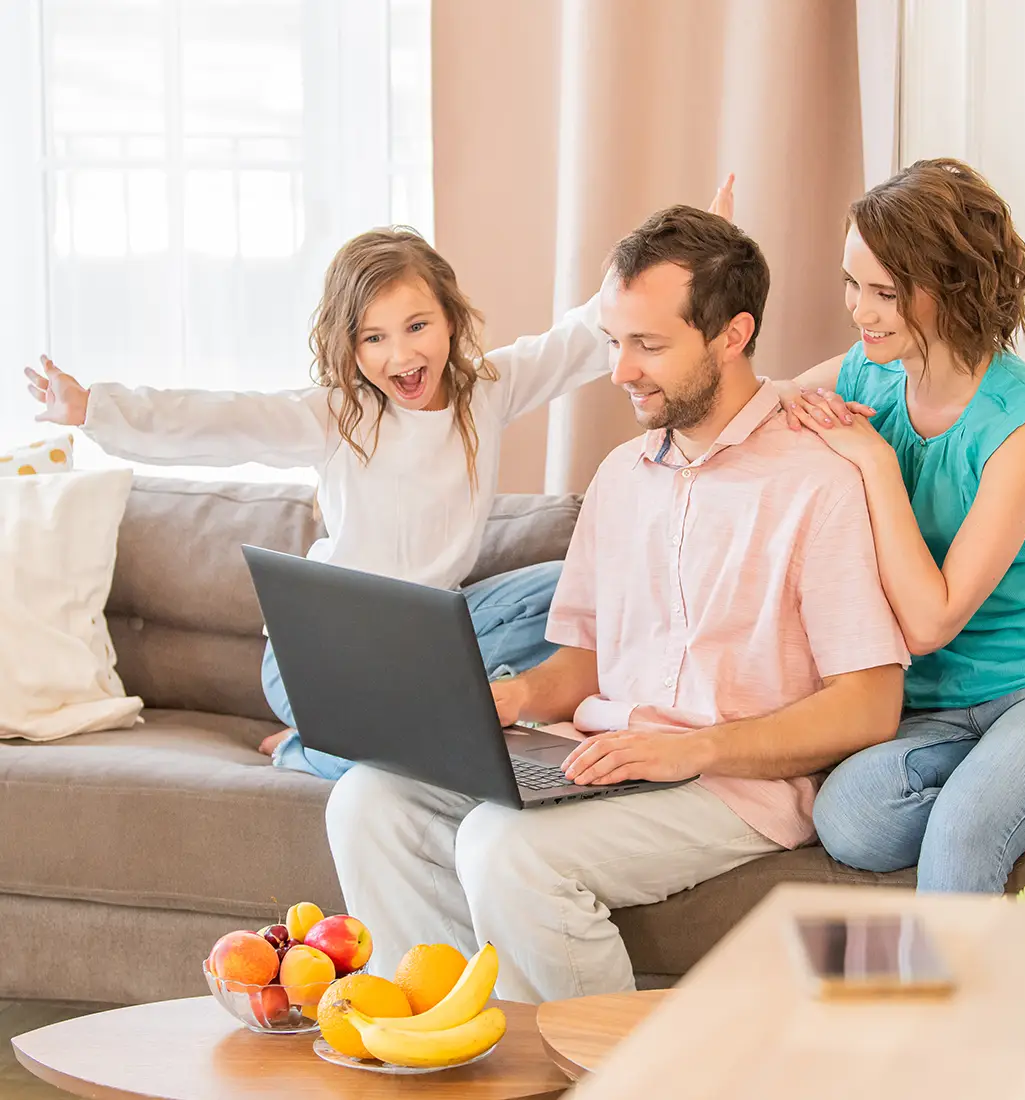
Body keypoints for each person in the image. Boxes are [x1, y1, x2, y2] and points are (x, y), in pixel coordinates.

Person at [324, 205, 910, 1001]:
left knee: (507, 849)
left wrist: (696, 749)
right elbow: (584, 662)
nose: (619, 370)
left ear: (732, 335)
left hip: (729, 783)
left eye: (649, 345)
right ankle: (456, 1053)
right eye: (612, 341)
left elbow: (870, 706)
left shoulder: (819, 479)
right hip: (600, 754)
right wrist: (511, 698)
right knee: (368, 798)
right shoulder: (622, 474)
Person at [23, 227, 606, 779]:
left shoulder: (486, 393)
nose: (400, 355)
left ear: (450, 319)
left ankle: (411, 721)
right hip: (321, 658)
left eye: (417, 326)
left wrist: (694, 249)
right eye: (374, 338)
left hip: (429, 643)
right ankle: (313, 747)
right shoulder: (335, 417)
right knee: (421, 755)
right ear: (348, 346)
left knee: (574, 587)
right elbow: (220, 417)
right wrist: (93, 408)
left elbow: (579, 338)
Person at [776, 158, 1025, 892]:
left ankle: (947, 1005)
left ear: (952, 290)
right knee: (850, 818)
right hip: (939, 703)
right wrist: (785, 405)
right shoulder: (869, 372)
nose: (859, 311)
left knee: (963, 833)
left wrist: (873, 462)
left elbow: (930, 622)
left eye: (884, 293)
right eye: (852, 283)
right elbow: (764, 412)